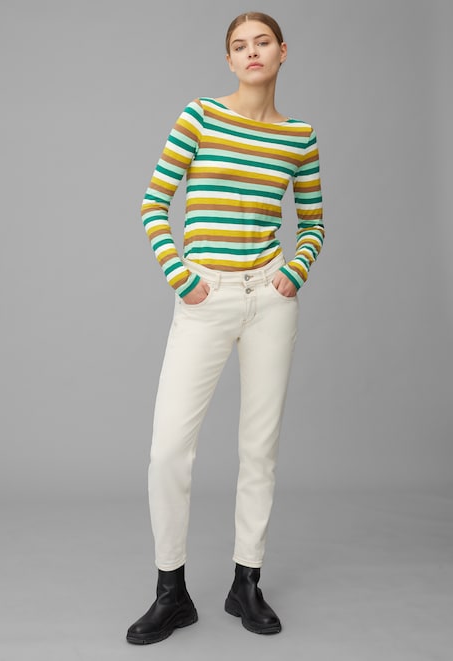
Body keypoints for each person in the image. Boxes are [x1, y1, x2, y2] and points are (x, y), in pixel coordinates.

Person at [126, 11, 324, 645]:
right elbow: (154, 203)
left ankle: (247, 583)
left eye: (262, 42)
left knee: (258, 450)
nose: (251, 52)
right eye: (239, 45)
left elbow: (313, 222)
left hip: (270, 298)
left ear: (283, 51)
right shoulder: (200, 117)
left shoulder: (300, 137)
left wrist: (295, 269)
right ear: (230, 59)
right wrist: (180, 275)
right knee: (168, 450)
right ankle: (171, 592)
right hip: (205, 296)